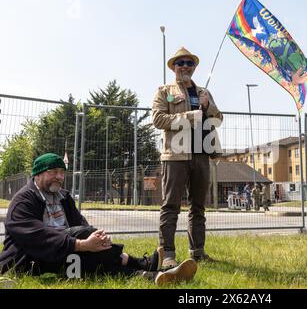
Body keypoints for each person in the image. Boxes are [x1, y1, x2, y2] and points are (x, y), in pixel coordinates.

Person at [0, 153, 197, 285]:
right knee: (84, 240)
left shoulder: (63, 196)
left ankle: (152, 275)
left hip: (62, 252)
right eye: (53, 172)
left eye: (62, 173)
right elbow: (37, 237)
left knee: (91, 258)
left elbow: (80, 222)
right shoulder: (23, 201)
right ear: (38, 174)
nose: (59, 177)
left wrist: (98, 238)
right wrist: (81, 243)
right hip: (29, 259)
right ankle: (141, 263)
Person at [152, 47, 223, 268]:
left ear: (194, 67)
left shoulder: (204, 92)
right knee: (171, 205)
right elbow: (158, 119)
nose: (184, 66)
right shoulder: (164, 91)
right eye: (180, 63)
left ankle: (198, 252)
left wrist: (207, 105)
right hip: (175, 156)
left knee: (198, 207)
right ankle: (168, 254)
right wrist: (191, 116)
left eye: (189, 63)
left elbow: (218, 119)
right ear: (173, 67)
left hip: (202, 154)